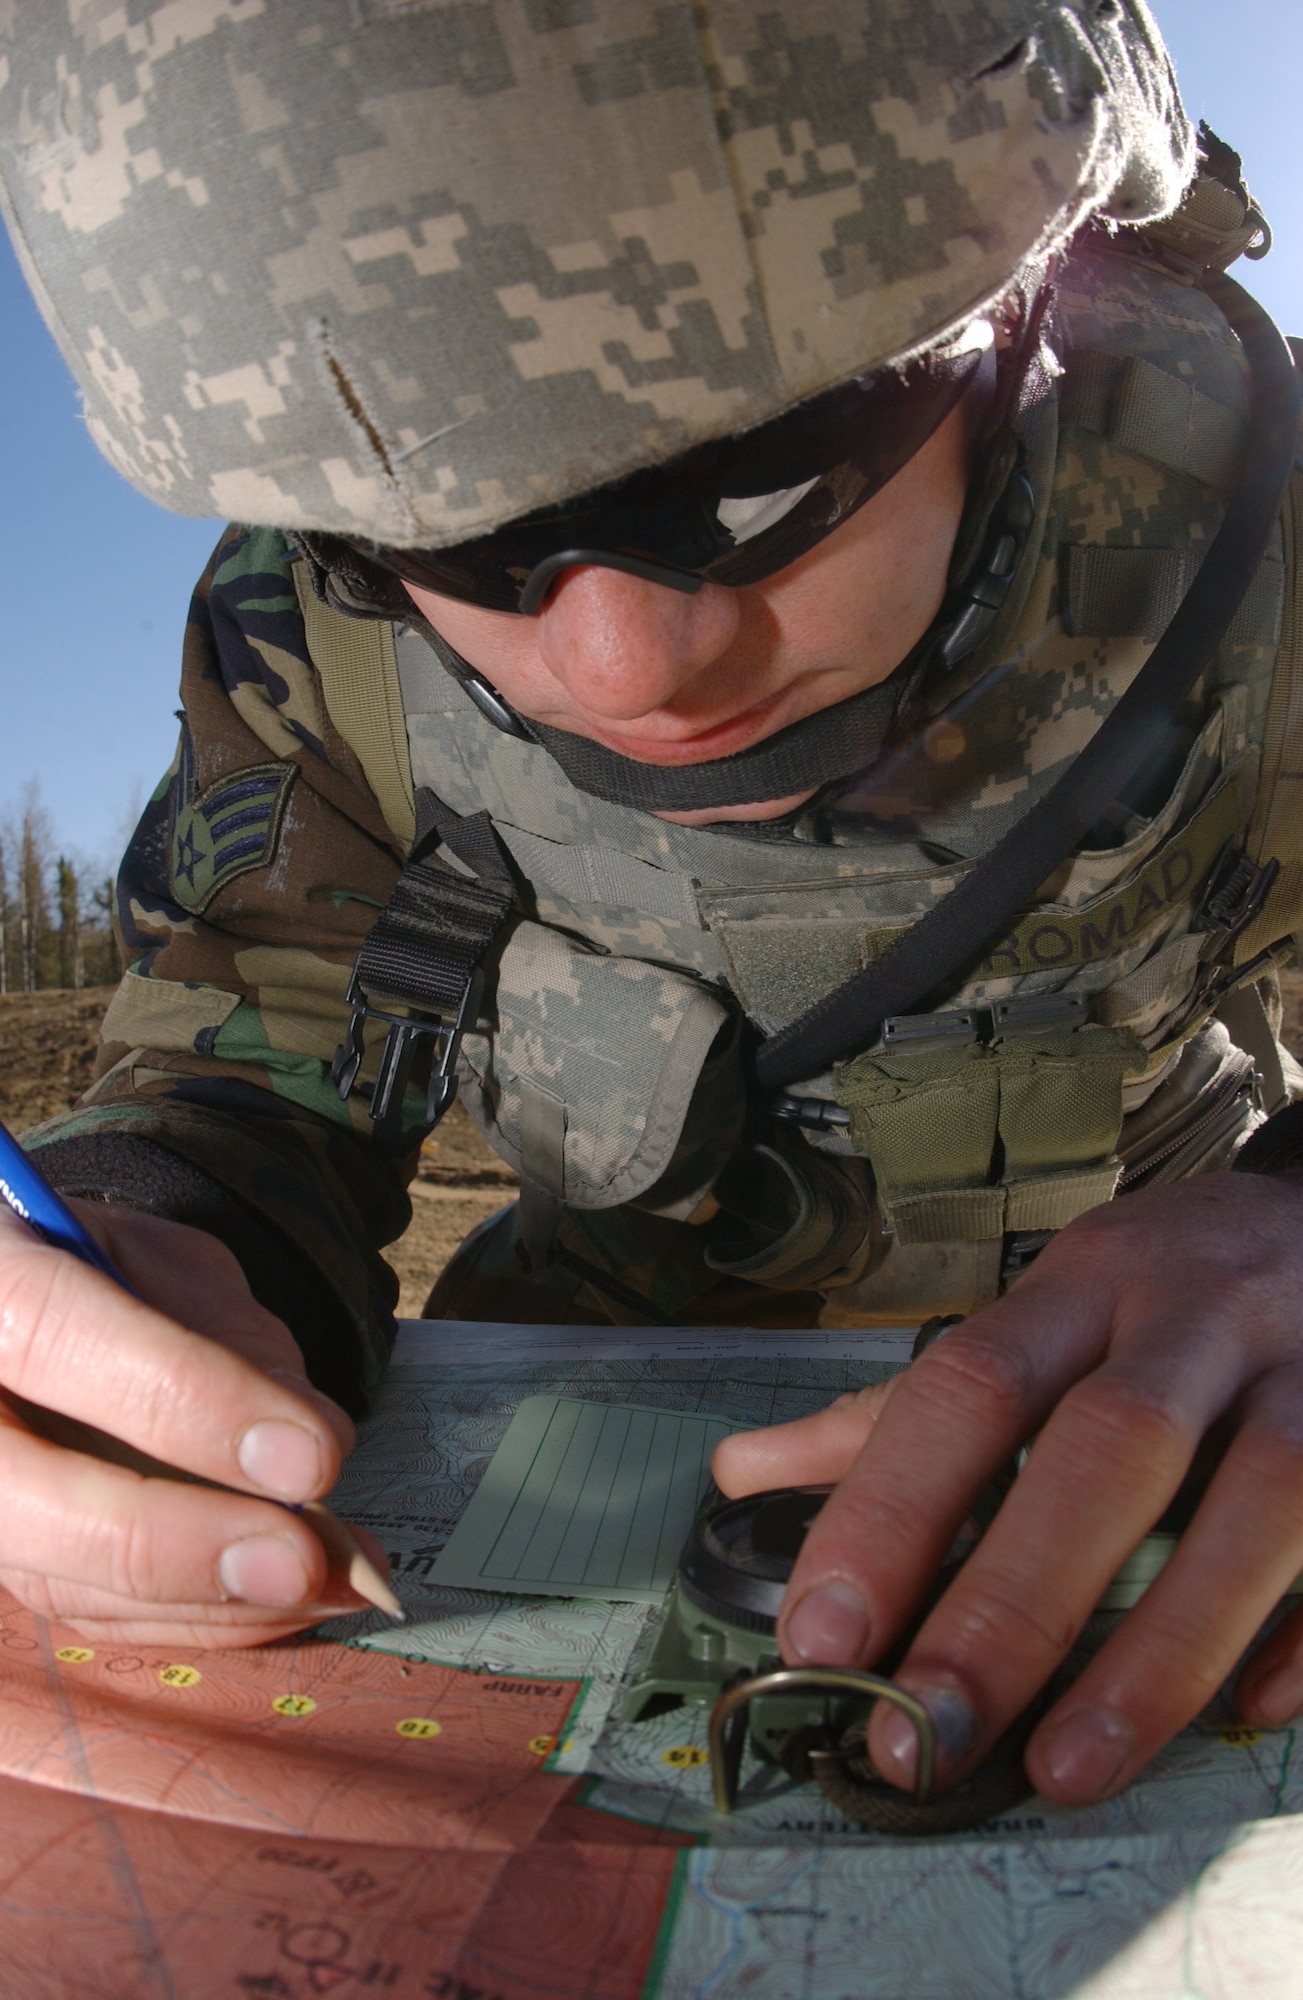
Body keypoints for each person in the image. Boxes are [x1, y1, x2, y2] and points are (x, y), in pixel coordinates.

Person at [2, 0, 1302, 1809]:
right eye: (457, 534)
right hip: (587, 1398)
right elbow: (265, 1030)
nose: (630, 664)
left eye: (765, 457)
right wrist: (159, 1250)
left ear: (1015, 301)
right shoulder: (311, 633)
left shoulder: (1263, 509)